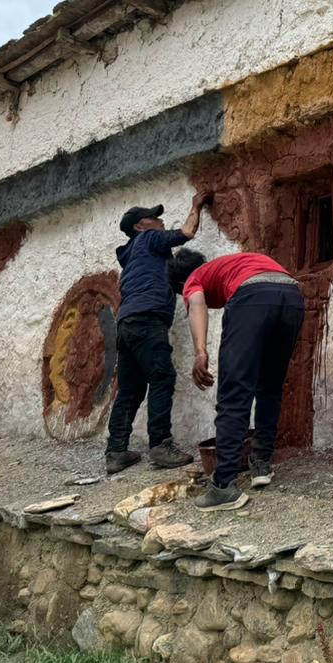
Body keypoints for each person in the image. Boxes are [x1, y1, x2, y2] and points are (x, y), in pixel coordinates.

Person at [168, 248, 305, 512]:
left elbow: (196, 302)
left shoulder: (194, 278)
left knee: (234, 392)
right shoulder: (231, 264)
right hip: (291, 296)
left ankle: (224, 486)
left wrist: (200, 351)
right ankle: (261, 464)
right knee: (270, 386)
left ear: (180, 283)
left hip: (252, 298)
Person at [105, 193, 210, 475]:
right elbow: (187, 232)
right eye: (153, 217)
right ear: (140, 226)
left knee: (130, 390)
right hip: (148, 321)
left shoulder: (133, 255)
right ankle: (160, 445)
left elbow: (163, 280)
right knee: (162, 377)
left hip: (126, 324)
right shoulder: (149, 239)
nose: (160, 221)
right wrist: (196, 206)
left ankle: (116, 451)